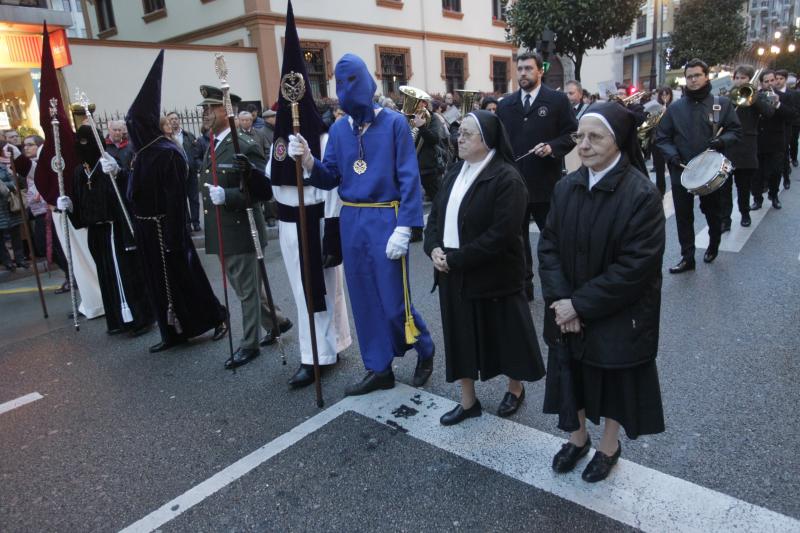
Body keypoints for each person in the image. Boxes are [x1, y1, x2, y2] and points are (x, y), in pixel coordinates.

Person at [288, 53, 435, 396]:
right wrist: (309, 160)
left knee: (394, 300)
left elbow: (409, 178)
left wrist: (406, 225)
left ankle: (424, 347)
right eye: (340, 84)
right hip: (351, 218)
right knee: (364, 298)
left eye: (352, 81)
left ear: (367, 83)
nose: (346, 90)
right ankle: (378, 367)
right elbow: (330, 178)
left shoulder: (396, 124)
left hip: (386, 217)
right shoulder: (339, 129)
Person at [539, 102, 666, 483]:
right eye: (580, 137)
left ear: (620, 140)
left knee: (611, 381)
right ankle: (577, 439)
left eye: (595, 137)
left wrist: (579, 304)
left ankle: (608, 447)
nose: (584, 145)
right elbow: (548, 246)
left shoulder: (642, 195)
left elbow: (635, 268)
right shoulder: (567, 186)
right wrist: (562, 302)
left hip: (615, 313)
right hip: (566, 308)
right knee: (569, 373)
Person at [424, 111, 545, 425]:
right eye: (458, 133)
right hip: (452, 271)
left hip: (494, 274)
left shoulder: (507, 178)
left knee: (506, 336)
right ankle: (468, 401)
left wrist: (456, 258)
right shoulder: (454, 171)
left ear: (486, 140)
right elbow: (435, 216)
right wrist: (433, 247)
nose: (458, 139)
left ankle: (515, 389)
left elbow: (502, 235)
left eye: (466, 134)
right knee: (459, 337)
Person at [125, 50, 228, 353]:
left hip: (165, 230)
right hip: (146, 230)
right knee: (158, 284)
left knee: (186, 277)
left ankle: (216, 316)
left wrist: (172, 236)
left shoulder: (167, 153)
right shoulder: (141, 154)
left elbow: (174, 198)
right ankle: (172, 332)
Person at [200, 84, 291, 370]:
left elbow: (262, 191)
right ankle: (277, 322)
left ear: (224, 111)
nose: (204, 114)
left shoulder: (244, 145)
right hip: (222, 229)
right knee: (247, 287)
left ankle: (249, 343)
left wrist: (228, 196)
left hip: (241, 228)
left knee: (246, 291)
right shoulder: (214, 144)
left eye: (209, 109)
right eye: (202, 108)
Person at [57, 126, 153, 336]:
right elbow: (81, 207)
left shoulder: (109, 164)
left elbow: (128, 191)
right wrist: (69, 206)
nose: (83, 147)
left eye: (87, 141)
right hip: (96, 231)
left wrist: (118, 174)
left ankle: (139, 318)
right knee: (106, 275)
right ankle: (117, 320)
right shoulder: (78, 172)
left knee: (125, 274)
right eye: (79, 142)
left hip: (114, 227)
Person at [496, 51, 577, 301]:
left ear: (539, 71)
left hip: (545, 184)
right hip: (514, 186)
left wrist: (553, 147)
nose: (523, 73)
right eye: (519, 69)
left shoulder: (557, 101)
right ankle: (525, 286)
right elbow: (498, 142)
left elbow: (572, 134)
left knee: (552, 238)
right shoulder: (506, 105)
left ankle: (558, 287)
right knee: (517, 241)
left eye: (528, 69)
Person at [654, 58, 742, 273]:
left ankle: (713, 243)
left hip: (710, 170)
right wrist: (672, 156)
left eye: (697, 75)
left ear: (706, 76)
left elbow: (735, 131)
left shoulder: (720, 104)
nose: (692, 80)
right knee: (683, 216)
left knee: (712, 212)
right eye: (689, 76)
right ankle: (688, 257)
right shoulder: (675, 108)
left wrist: (722, 141)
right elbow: (662, 137)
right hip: (682, 169)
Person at [722, 66, 776, 229]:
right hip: (727, 147)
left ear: (750, 80)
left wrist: (753, 96)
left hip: (746, 147)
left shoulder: (755, 97)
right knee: (724, 188)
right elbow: (715, 118)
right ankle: (726, 220)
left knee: (743, 186)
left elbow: (769, 112)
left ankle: (744, 213)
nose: (739, 81)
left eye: (743, 78)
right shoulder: (726, 97)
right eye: (737, 78)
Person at [752, 70, 795, 211]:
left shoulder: (784, 96)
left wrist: (778, 104)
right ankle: (757, 199)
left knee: (776, 171)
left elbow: (791, 115)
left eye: (772, 80)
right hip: (758, 141)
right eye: (767, 81)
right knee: (757, 174)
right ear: (761, 83)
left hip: (776, 141)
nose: (771, 83)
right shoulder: (755, 97)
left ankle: (774, 195)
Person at [167, 111, 202, 233]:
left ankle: (196, 222)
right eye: (171, 119)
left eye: (176, 118)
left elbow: (195, 153)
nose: (174, 121)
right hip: (177, 174)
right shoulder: (167, 138)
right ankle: (187, 224)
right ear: (168, 121)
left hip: (191, 172)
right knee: (182, 200)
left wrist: (197, 166)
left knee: (194, 198)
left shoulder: (188, 135)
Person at [773, 69, 796, 190]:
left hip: (786, 128)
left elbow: (793, 112)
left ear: (785, 79)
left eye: (781, 79)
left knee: (784, 155)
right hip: (772, 128)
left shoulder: (792, 94)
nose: (778, 81)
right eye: (776, 79)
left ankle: (786, 178)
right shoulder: (772, 92)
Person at [0, 161, 25, 271]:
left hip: (9, 205)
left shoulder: (2, 167)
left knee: (16, 233)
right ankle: (7, 261)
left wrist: (4, 186)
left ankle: (20, 259)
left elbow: (14, 181)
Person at [650, 87, 674, 197]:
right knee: (659, 168)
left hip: (670, 141)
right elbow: (651, 125)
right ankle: (660, 191)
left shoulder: (674, 107)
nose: (665, 97)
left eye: (667, 94)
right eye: (662, 95)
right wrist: (659, 114)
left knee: (673, 166)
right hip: (657, 141)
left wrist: (667, 113)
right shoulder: (656, 108)